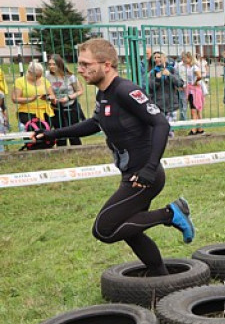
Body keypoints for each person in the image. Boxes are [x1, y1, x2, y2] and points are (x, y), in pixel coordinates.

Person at [31, 38, 195, 275]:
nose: (80, 69)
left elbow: (160, 123)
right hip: (130, 173)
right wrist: (53, 134)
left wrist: (150, 168)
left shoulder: (125, 90)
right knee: (130, 229)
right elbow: (94, 123)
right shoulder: (104, 94)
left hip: (143, 177)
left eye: (87, 64)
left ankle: (172, 213)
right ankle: (161, 278)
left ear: (106, 65)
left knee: (104, 229)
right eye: (80, 64)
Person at [46, 55, 85, 146]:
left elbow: (80, 91)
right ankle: (61, 150)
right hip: (56, 107)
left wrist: (68, 97)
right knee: (59, 131)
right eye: (49, 64)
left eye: (54, 64)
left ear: (60, 65)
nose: (51, 66)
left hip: (70, 106)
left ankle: (76, 148)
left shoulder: (70, 77)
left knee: (73, 130)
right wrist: (50, 98)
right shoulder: (47, 76)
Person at [148, 52, 184, 134]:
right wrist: (157, 79)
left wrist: (169, 75)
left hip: (171, 104)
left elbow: (180, 83)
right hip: (158, 105)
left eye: (159, 57)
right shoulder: (153, 72)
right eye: (155, 57)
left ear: (164, 58)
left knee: (170, 129)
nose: (156, 59)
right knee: (160, 129)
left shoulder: (172, 69)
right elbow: (150, 88)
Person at [13, 61, 54, 131]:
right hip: (27, 113)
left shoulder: (44, 81)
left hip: (45, 112)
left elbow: (52, 96)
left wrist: (47, 98)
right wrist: (31, 99)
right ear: (29, 72)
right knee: (32, 135)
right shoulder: (19, 81)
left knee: (46, 136)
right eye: (37, 76)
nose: (39, 78)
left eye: (40, 75)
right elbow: (15, 99)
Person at [178, 51, 205, 135]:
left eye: (184, 58)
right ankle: (199, 128)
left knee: (195, 110)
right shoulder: (187, 67)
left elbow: (199, 76)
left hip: (195, 90)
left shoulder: (194, 67)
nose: (183, 60)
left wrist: (195, 82)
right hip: (190, 90)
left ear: (189, 58)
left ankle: (194, 129)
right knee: (195, 110)